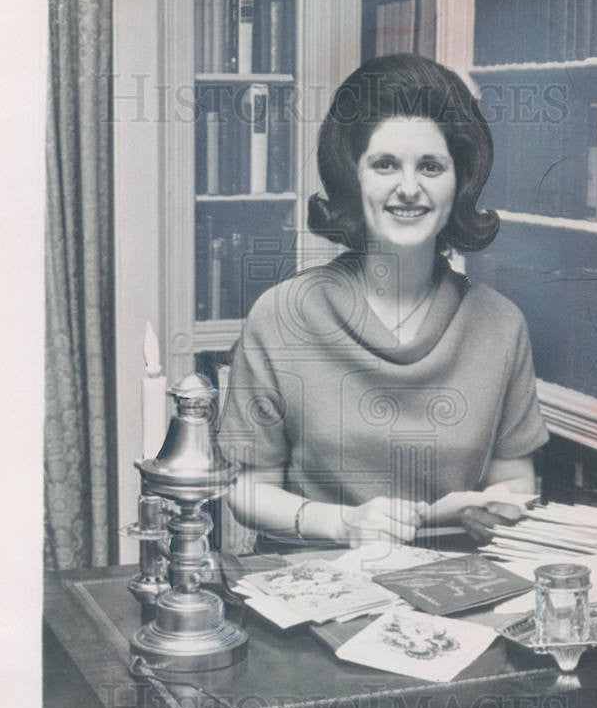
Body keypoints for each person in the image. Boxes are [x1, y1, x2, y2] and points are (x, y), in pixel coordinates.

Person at [219, 54, 548, 546]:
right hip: (312, 587)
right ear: (354, 179)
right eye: (385, 164)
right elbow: (247, 488)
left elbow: (515, 483)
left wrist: (492, 509)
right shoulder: (281, 316)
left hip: (452, 591)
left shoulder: (501, 324)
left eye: (431, 166)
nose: (409, 188)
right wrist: (341, 523)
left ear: (459, 183)